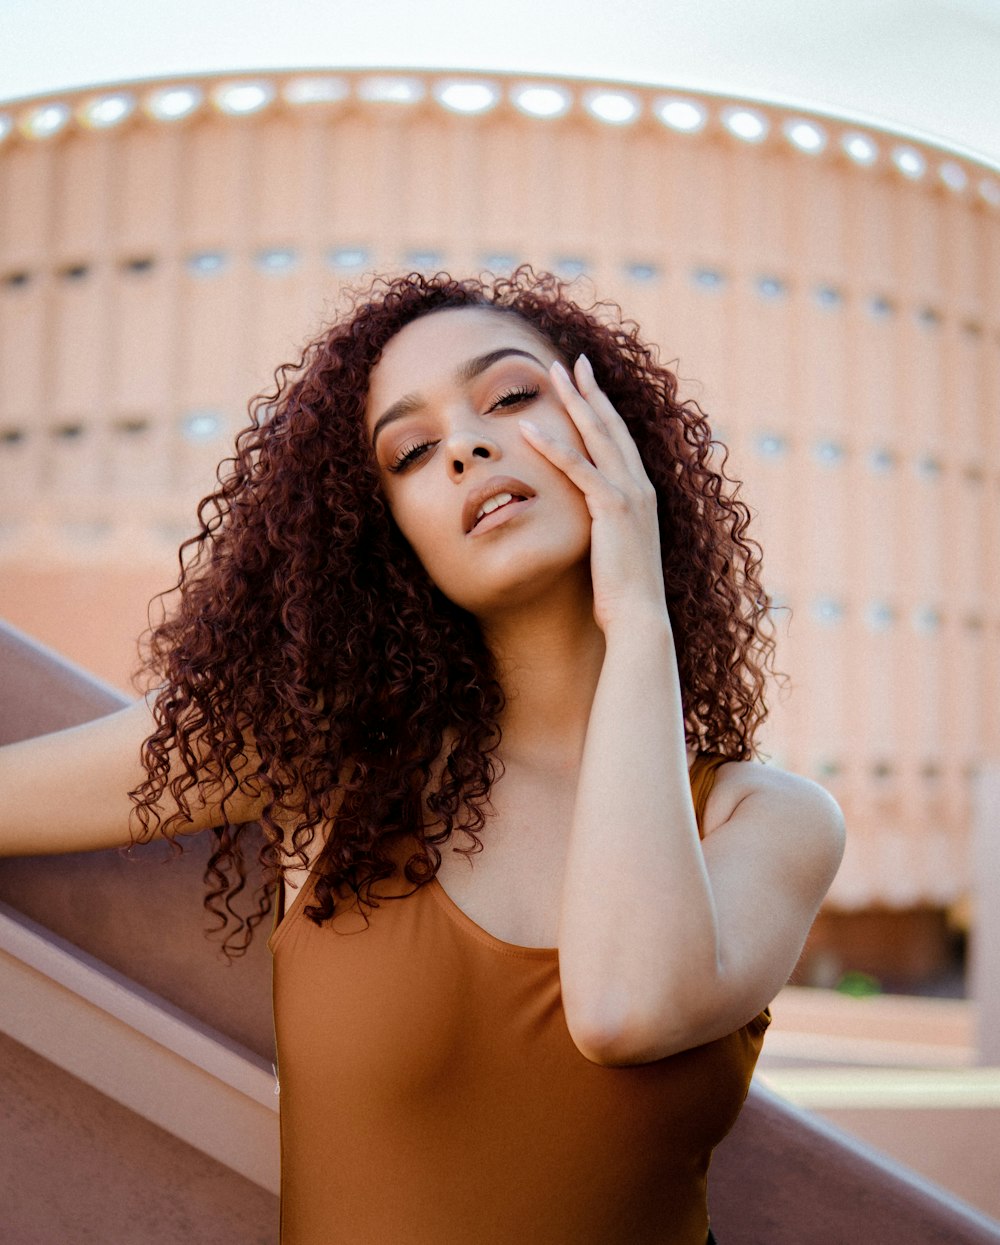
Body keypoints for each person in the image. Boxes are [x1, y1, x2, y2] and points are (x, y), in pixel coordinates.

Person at [0, 267, 844, 1244]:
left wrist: (638, 623)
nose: (467, 447)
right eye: (410, 451)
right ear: (383, 534)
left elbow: (627, 1010)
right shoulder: (324, 761)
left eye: (511, 396)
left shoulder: (767, 819)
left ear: (606, 427)